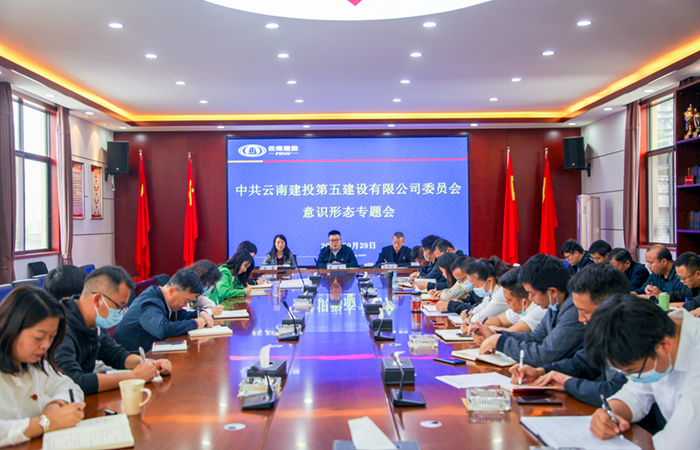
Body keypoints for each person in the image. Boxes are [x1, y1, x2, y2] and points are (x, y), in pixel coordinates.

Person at [586, 294, 700, 449]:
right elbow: (634, 395)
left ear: (664, 346)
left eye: (632, 370)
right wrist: (609, 414)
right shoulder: (652, 337)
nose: (631, 377)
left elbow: (678, 445)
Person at [509, 264, 631, 407]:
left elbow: (614, 391)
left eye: (585, 312)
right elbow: (582, 363)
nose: (581, 319)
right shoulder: (604, 329)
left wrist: (566, 382)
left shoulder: (636, 337)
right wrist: (541, 372)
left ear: (613, 307)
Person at [56, 266, 170, 395]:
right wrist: (134, 376)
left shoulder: (94, 321)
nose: (121, 312)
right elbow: (73, 381)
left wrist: (149, 364)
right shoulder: (60, 327)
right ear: (97, 300)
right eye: (119, 306)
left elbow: (114, 354)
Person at [0, 286, 86, 447]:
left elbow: (70, 387)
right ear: (12, 328)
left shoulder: (35, 365)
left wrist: (56, 404)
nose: (46, 345)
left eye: (52, 337)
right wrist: (46, 423)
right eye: (38, 337)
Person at [477, 254, 586, 367]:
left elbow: (544, 356)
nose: (530, 298)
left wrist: (500, 342)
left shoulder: (575, 310)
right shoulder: (555, 304)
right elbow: (535, 338)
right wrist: (496, 334)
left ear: (552, 292)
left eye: (532, 293)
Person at [114, 269, 212, 352]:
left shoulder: (162, 298)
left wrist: (200, 313)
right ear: (172, 291)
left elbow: (179, 315)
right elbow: (162, 329)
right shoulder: (150, 303)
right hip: (130, 360)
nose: (186, 305)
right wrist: (195, 323)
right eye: (186, 300)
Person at [464, 267, 545, 334]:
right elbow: (499, 320)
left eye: (509, 300)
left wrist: (489, 329)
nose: (506, 302)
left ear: (525, 302)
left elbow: (510, 332)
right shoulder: (521, 307)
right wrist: (476, 325)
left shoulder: (538, 310)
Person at [467, 256, 513, 324]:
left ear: (489, 281)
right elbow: (482, 305)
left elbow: (480, 318)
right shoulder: (492, 290)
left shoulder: (502, 292)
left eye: (477, 286)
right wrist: (472, 313)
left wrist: (469, 319)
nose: (475, 289)